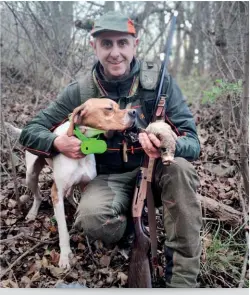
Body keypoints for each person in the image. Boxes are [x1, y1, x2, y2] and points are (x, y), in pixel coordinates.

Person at [19, 11, 202, 288]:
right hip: (106, 179)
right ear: (94, 47)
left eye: (122, 43)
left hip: (152, 171)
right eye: (106, 44)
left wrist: (168, 144)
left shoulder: (160, 85)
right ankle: (131, 225)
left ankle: (182, 281)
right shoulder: (80, 92)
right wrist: (56, 142)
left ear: (135, 45)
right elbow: (32, 130)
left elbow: (194, 142)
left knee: (181, 169)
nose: (115, 52)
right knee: (92, 221)